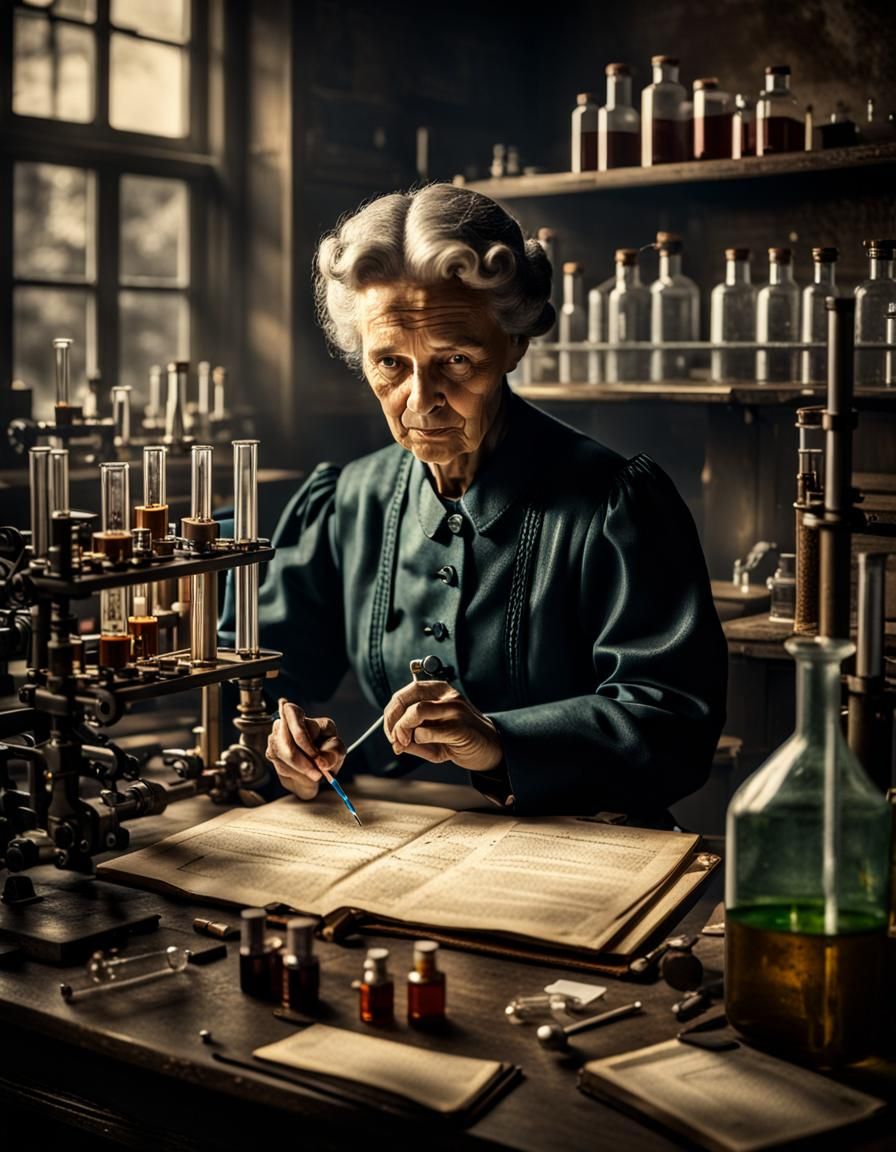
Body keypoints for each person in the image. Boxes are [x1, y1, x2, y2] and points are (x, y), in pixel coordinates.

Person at [244, 183, 727, 818]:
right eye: (390, 363)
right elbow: (260, 679)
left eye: (456, 360)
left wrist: (500, 744)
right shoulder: (350, 499)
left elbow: (675, 727)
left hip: (588, 849)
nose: (420, 400)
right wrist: (282, 738)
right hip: (393, 830)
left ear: (514, 343)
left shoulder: (616, 504)